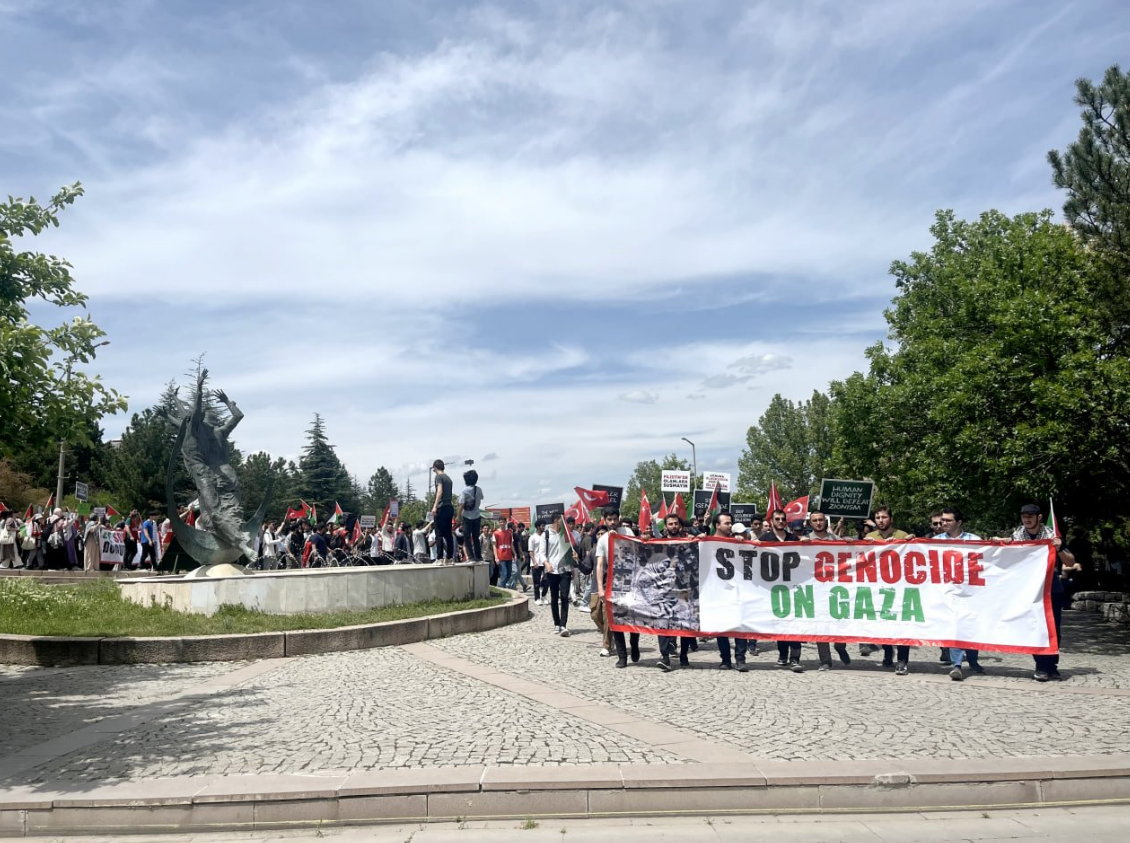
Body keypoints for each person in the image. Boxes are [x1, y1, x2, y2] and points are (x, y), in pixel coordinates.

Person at [1009, 503, 1072, 681]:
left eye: (1030, 515)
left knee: (1053, 628)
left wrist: (1059, 548)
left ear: (1039, 517)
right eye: (1023, 516)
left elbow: (1070, 561)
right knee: (1036, 627)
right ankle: (1041, 666)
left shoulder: (1052, 535)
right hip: (1028, 588)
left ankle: (1051, 665)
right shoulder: (1017, 535)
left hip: (1051, 587)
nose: (1026, 519)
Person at [935, 507, 984, 680]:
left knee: (971, 626)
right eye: (942, 520)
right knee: (956, 626)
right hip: (948, 592)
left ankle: (973, 660)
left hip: (971, 591)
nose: (944, 523)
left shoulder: (975, 540)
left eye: (948, 520)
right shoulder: (935, 541)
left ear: (959, 522)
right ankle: (956, 664)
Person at [802, 510, 853, 671]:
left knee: (839, 622)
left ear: (826, 522)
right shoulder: (805, 541)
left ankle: (840, 646)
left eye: (821, 520)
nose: (818, 523)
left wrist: (850, 542)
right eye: (815, 520)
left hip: (835, 587)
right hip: (816, 589)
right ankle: (825, 660)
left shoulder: (836, 540)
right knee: (820, 625)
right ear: (810, 523)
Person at [758, 508, 805, 673]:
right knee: (780, 623)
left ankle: (795, 659)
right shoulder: (764, 539)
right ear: (772, 521)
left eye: (782, 519)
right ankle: (783, 655)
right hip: (773, 588)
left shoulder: (793, 538)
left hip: (793, 586)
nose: (780, 521)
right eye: (777, 519)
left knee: (794, 623)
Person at [712, 511, 756, 671]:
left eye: (731, 523)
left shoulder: (736, 542)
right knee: (721, 628)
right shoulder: (707, 542)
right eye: (727, 523)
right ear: (717, 525)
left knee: (740, 625)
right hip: (717, 592)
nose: (730, 526)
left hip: (737, 590)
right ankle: (725, 659)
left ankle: (740, 659)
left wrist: (742, 543)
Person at [656, 513, 694, 671]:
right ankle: (665, 657)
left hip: (683, 590)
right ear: (665, 526)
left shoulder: (689, 542)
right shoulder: (658, 544)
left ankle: (684, 655)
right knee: (663, 624)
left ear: (680, 525)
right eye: (670, 524)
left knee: (684, 624)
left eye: (675, 523)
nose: (673, 526)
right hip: (664, 590)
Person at [544, 514, 574, 635]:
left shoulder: (566, 534)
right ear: (556, 522)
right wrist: (546, 563)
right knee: (554, 597)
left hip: (565, 569)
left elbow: (571, 550)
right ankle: (556, 623)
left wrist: (573, 565)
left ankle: (563, 625)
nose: (564, 523)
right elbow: (541, 553)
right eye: (562, 521)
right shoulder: (546, 535)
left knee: (565, 597)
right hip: (552, 570)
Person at [430, 460, 455, 563]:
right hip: (449, 506)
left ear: (435, 468)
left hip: (441, 507)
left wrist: (435, 506)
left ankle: (439, 558)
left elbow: (440, 491)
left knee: (439, 533)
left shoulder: (438, 477)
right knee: (448, 534)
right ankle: (449, 557)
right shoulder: (449, 479)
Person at [529, 519, 549, 604]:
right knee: (536, 582)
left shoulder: (546, 537)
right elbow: (531, 551)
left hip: (545, 562)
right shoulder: (532, 537)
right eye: (542, 526)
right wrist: (534, 562)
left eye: (544, 525)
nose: (544, 527)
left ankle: (544, 596)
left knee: (547, 580)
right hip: (536, 562)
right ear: (538, 527)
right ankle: (537, 598)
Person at [493, 520, 516, 589]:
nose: (502, 523)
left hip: (509, 556)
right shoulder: (496, 533)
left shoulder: (509, 533)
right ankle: (502, 590)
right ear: (498, 523)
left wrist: (514, 554)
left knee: (509, 574)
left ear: (506, 523)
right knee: (504, 574)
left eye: (503, 522)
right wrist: (496, 557)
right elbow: (494, 546)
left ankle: (500, 586)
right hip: (501, 557)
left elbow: (511, 544)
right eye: (500, 522)